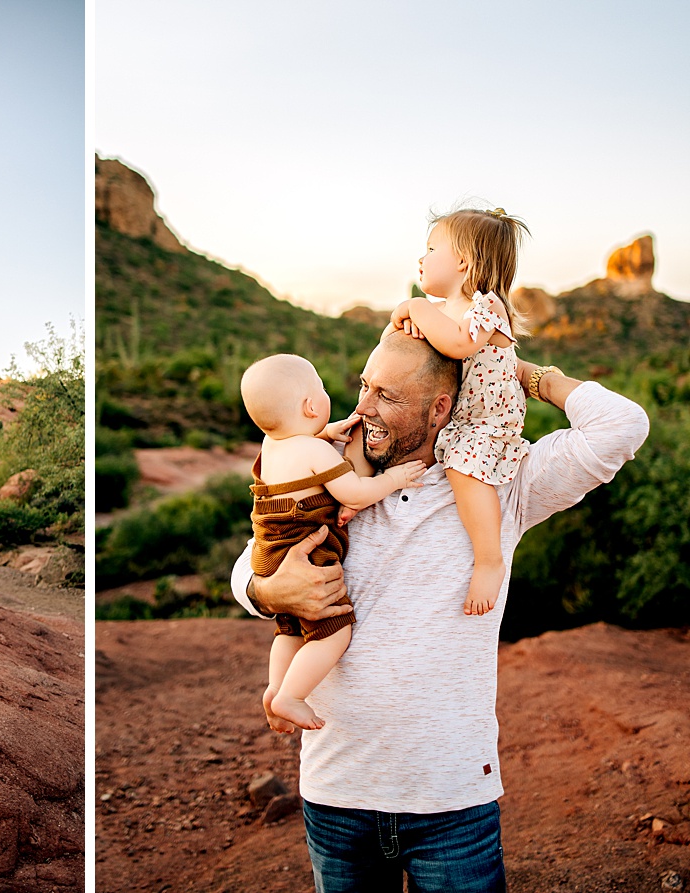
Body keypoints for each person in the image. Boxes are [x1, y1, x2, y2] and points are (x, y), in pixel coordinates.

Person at [232, 332, 648, 891]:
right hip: (336, 793)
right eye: (363, 386)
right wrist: (270, 594)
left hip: (452, 803)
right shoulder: (333, 471)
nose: (363, 408)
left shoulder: (502, 484)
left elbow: (622, 426)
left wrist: (514, 369)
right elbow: (249, 568)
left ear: (440, 408)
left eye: (387, 396)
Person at [240, 353, 426, 730]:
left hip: (268, 554)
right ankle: (291, 696)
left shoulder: (274, 444)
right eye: (321, 389)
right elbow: (354, 494)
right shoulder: (315, 452)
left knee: (289, 628)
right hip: (308, 551)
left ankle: (276, 690)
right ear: (311, 405)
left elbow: (299, 446)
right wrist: (395, 480)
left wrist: (324, 433)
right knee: (334, 632)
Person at [389, 207, 530, 616]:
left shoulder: (487, 306)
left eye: (432, 248)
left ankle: (489, 560)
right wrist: (411, 322)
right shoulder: (444, 312)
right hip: (461, 417)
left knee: (464, 467)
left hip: (488, 419)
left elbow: (458, 345)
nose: (422, 257)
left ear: (464, 263)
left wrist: (414, 308)